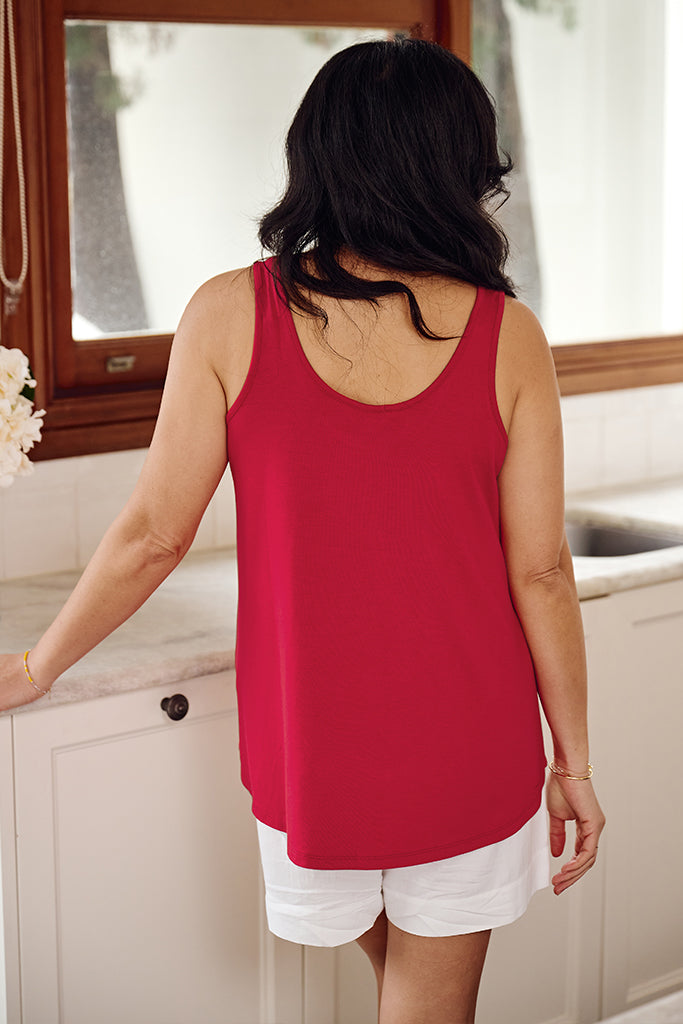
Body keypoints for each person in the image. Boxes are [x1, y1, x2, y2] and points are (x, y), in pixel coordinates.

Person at [0, 36, 605, 1024]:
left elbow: (153, 531)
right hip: (468, 745)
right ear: (456, 169)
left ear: (316, 155)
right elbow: (537, 569)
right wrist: (572, 764)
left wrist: (37, 665)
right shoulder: (506, 335)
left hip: (311, 755)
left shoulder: (228, 313)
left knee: (403, 996)